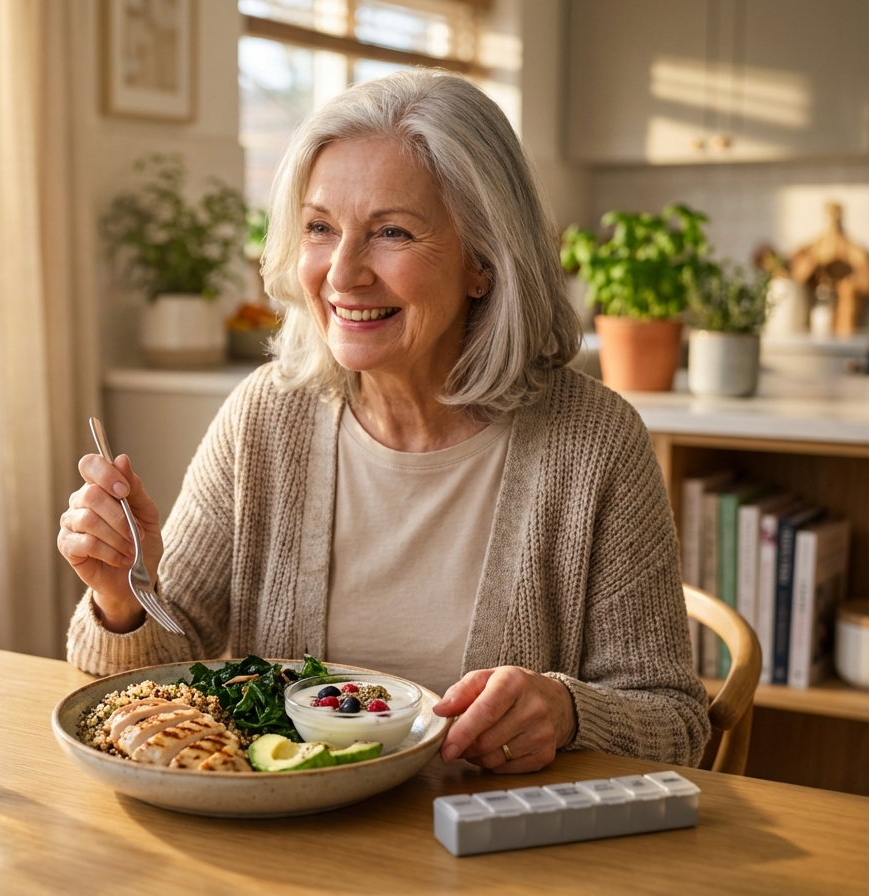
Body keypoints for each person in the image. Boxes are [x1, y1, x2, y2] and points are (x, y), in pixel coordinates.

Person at [59, 70, 710, 772]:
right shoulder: (265, 418)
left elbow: (675, 719)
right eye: (320, 228)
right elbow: (151, 684)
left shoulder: (595, 444)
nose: (342, 273)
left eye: (391, 232)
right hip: (288, 849)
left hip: (490, 858)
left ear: (483, 262)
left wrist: (567, 708)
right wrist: (122, 595)